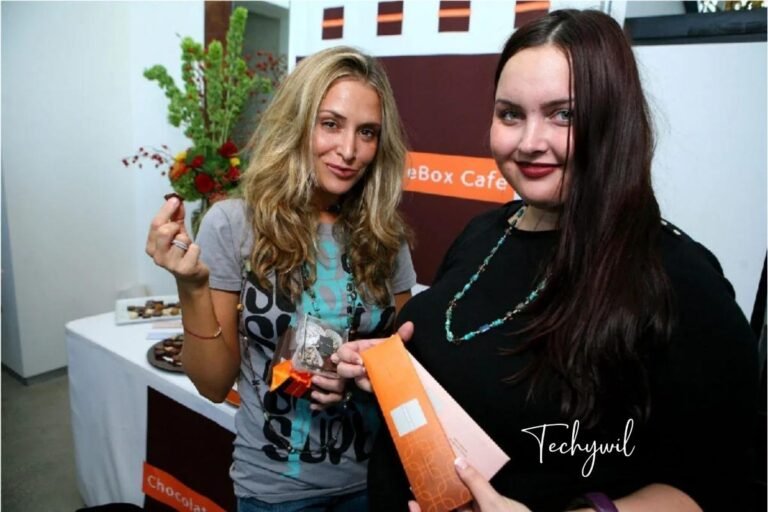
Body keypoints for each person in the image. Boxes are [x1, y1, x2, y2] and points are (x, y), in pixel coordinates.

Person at [336, 9, 758, 512]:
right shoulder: (483, 233)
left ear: (613, 121)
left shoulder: (678, 279)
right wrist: (391, 374)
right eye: (511, 113)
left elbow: (720, 487)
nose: (530, 142)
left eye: (565, 115)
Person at [146, 46, 417, 511]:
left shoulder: (383, 232)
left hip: (377, 479)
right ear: (298, 122)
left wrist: (358, 377)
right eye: (330, 123)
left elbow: (406, 366)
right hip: (276, 490)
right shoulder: (235, 223)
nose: (349, 150)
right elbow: (213, 385)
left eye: (367, 132)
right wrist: (191, 287)